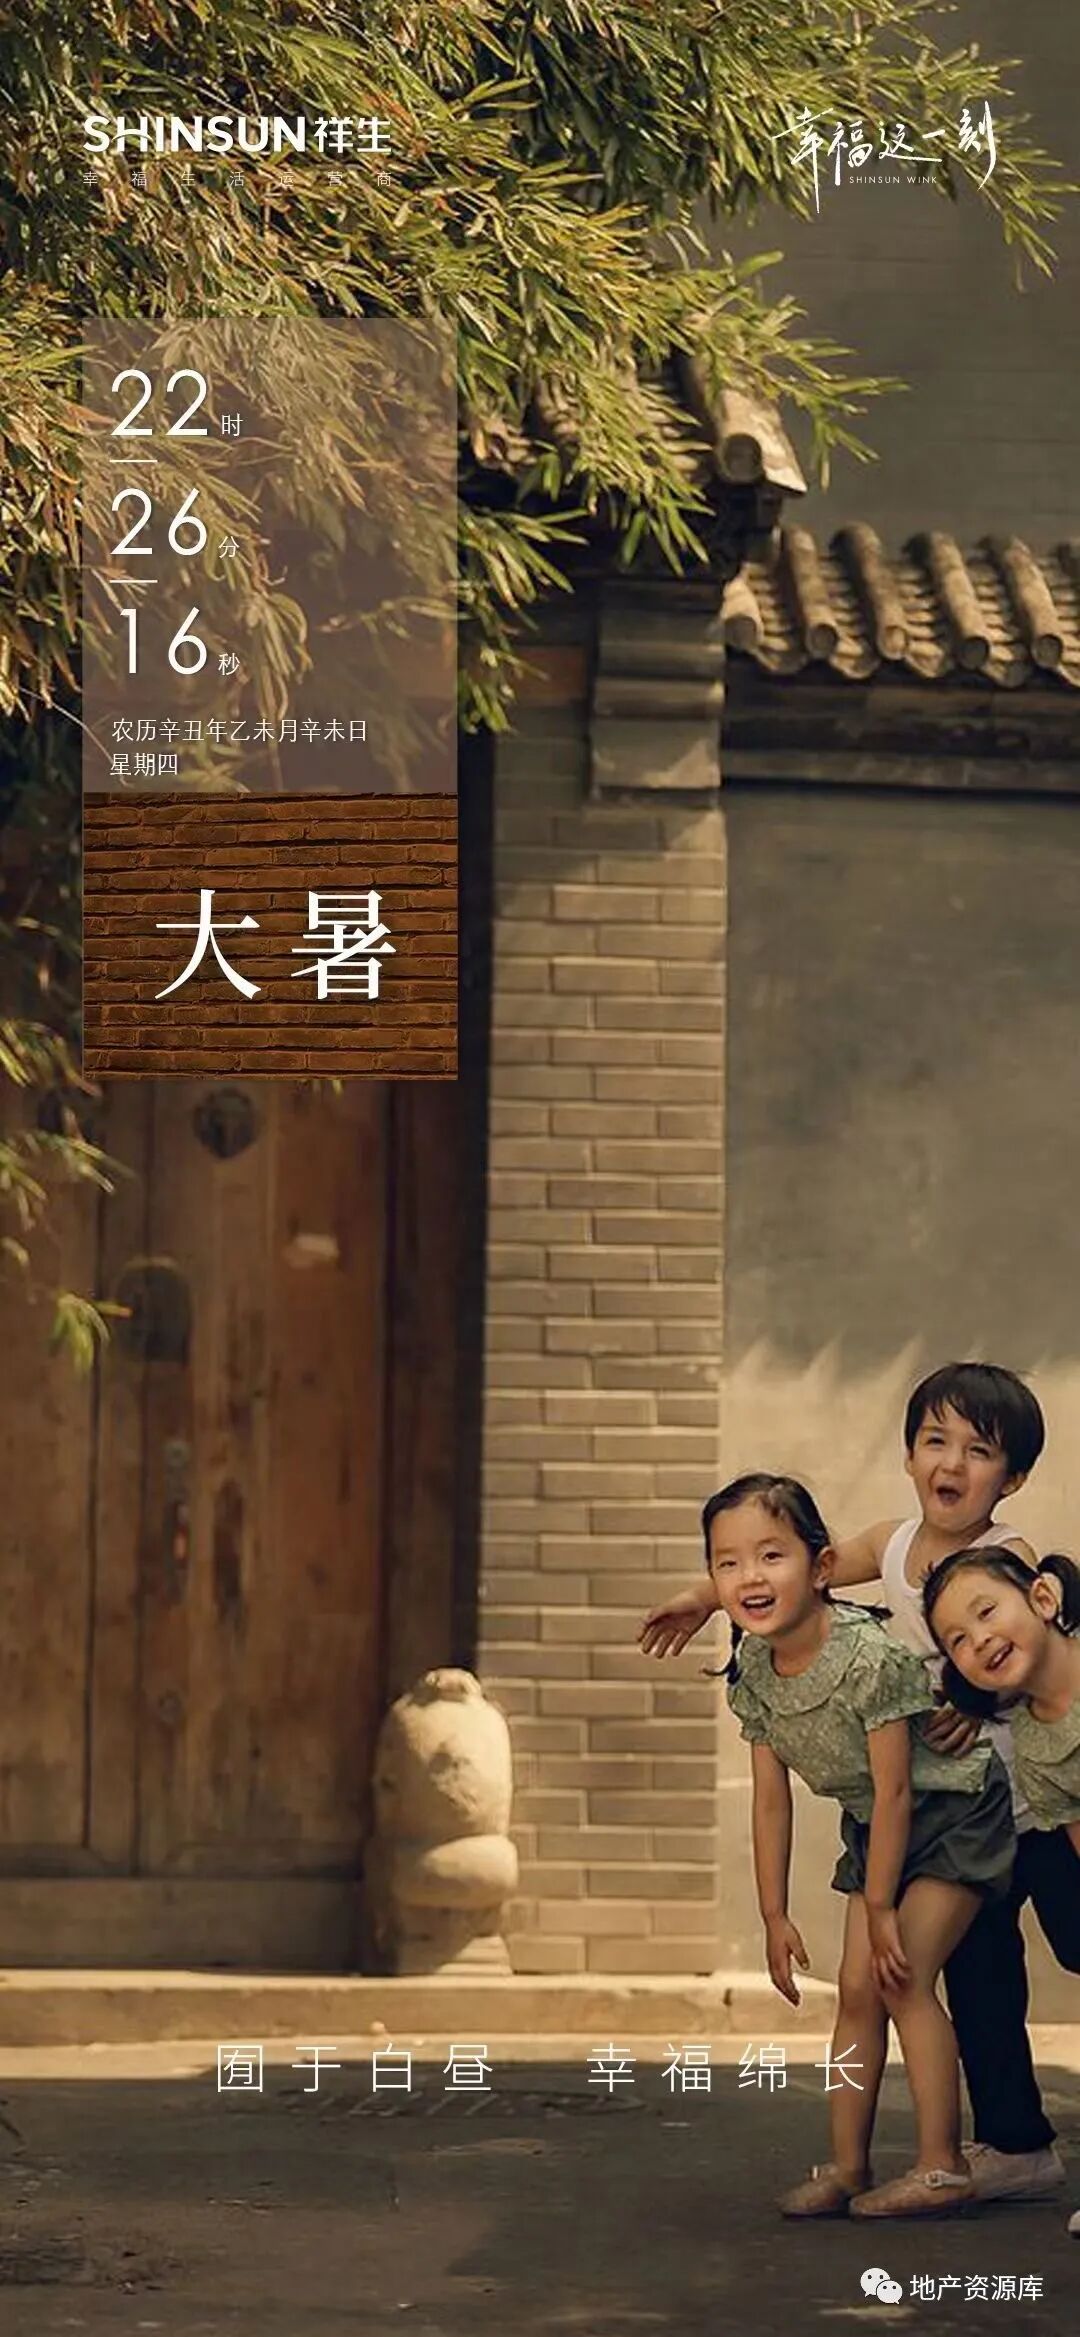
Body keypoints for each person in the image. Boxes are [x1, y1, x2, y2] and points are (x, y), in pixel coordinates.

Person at [639, 1362, 1066, 2204]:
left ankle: (956, 2158)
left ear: (1011, 1478)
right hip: (928, 1801)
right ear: (909, 1456)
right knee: (968, 1979)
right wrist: (705, 1596)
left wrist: (969, 1694)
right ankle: (995, 2147)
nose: (951, 1461)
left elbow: (1021, 1638)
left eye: (978, 1449)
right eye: (934, 1440)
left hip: (1023, 1799)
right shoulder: (890, 1544)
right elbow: (793, 1568)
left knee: (1042, 1950)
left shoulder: (1005, 1557)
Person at [706, 1471, 1014, 2219]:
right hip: (879, 1828)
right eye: (727, 1562)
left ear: (820, 1567)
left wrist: (880, 1907)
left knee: (902, 1977)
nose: (750, 1576)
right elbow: (771, 1799)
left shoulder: (868, 1657)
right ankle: (847, 2166)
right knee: (855, 1991)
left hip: (955, 1813)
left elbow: (899, 1789)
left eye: (771, 1555)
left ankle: (941, 2166)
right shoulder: (753, 1668)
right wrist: (773, 1914)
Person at [924, 1543, 1080, 2240]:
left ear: (1043, 1598)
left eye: (987, 1611)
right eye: (957, 1639)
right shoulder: (1036, 1743)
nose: (979, 1639)